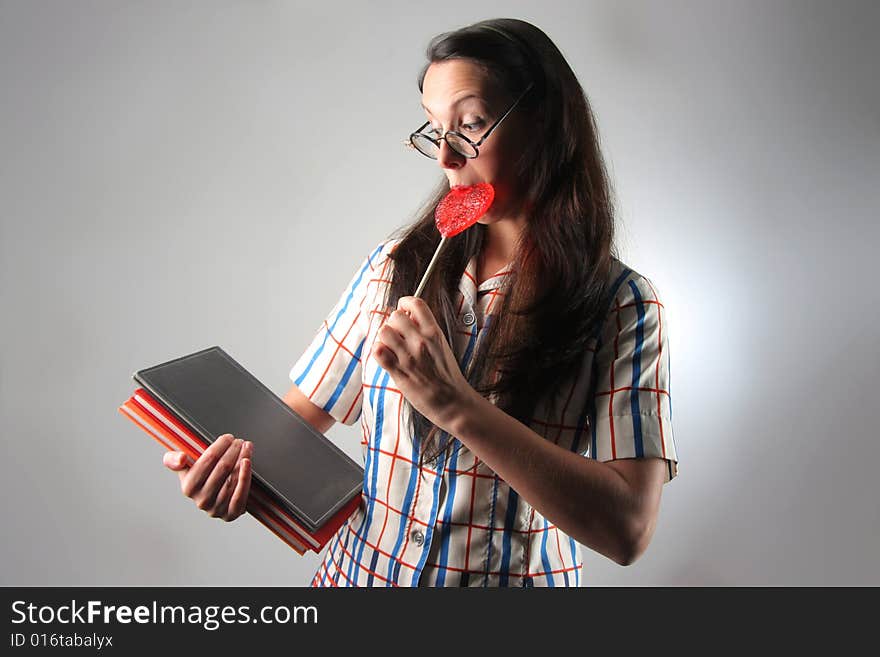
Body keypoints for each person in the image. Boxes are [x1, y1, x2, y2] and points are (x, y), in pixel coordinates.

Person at [163, 17, 679, 587]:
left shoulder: (621, 304)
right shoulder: (394, 267)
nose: (447, 159)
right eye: (436, 130)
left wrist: (457, 406)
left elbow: (627, 532)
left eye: (471, 124)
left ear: (543, 122)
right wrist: (232, 474)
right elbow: (294, 427)